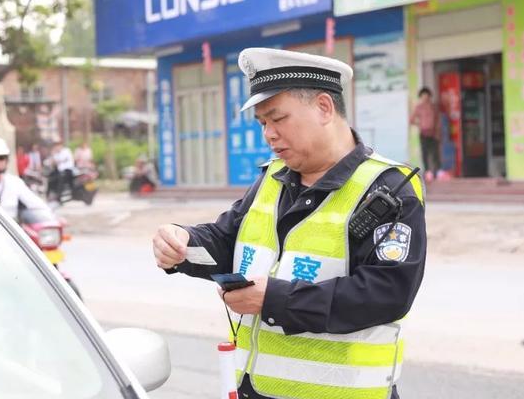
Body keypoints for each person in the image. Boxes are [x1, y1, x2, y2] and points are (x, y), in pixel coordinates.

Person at [151, 48, 426, 399]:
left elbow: (386, 294)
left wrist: (276, 299)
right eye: (263, 123)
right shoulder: (274, 178)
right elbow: (226, 242)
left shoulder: (388, 189)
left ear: (324, 108)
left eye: (278, 119)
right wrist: (182, 245)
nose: (269, 134)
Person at [0, 137, 53, 220]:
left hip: (9, 229)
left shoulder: (14, 182)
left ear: (7, 159)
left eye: (2, 157)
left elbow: (35, 203)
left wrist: (52, 217)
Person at [410, 87, 440, 182]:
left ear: (429, 96)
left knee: (435, 153)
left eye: (427, 96)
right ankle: (427, 172)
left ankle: (436, 173)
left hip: (433, 133)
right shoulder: (418, 107)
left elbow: (437, 120)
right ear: (421, 97)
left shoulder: (433, 107)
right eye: (423, 96)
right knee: (425, 154)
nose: (425, 98)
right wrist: (420, 125)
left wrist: (438, 132)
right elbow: (411, 120)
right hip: (423, 133)